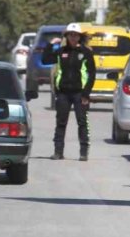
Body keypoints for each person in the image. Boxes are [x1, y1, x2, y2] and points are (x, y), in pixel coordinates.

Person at [41, 22, 96, 161]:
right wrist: (51, 44)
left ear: (79, 37)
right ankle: (58, 151)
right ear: (66, 36)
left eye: (75, 35)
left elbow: (92, 74)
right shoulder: (61, 52)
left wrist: (86, 94)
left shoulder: (86, 52)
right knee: (61, 122)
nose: (72, 37)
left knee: (82, 122)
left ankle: (84, 152)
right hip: (63, 93)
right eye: (70, 35)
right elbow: (45, 59)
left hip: (80, 93)